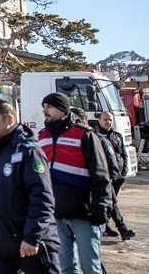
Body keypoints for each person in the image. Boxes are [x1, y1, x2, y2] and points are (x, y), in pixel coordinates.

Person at [0, 99, 61, 274]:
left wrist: (32, 238)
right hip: (3, 247)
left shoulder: (28, 151)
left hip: (31, 246)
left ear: (9, 120)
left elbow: (42, 200)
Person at [38, 93, 111, 274]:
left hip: (84, 213)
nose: (44, 110)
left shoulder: (84, 135)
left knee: (91, 268)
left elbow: (101, 175)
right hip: (56, 214)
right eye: (44, 106)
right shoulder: (42, 136)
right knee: (66, 267)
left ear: (63, 109)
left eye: (49, 106)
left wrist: (101, 206)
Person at [93, 111, 135, 241]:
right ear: (99, 120)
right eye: (105, 119)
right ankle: (123, 229)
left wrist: (124, 171)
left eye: (110, 120)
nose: (108, 122)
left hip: (118, 176)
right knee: (112, 202)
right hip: (106, 176)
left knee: (110, 203)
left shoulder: (117, 135)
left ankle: (105, 226)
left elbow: (123, 154)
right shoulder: (95, 137)